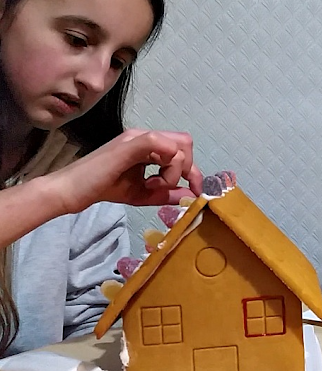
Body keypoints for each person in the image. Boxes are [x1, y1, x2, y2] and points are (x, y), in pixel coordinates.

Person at [0, 0, 203, 356]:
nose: (95, 81)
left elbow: (90, 330)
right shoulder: (79, 181)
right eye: (77, 40)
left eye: (117, 62)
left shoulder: (87, 173)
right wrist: (61, 193)